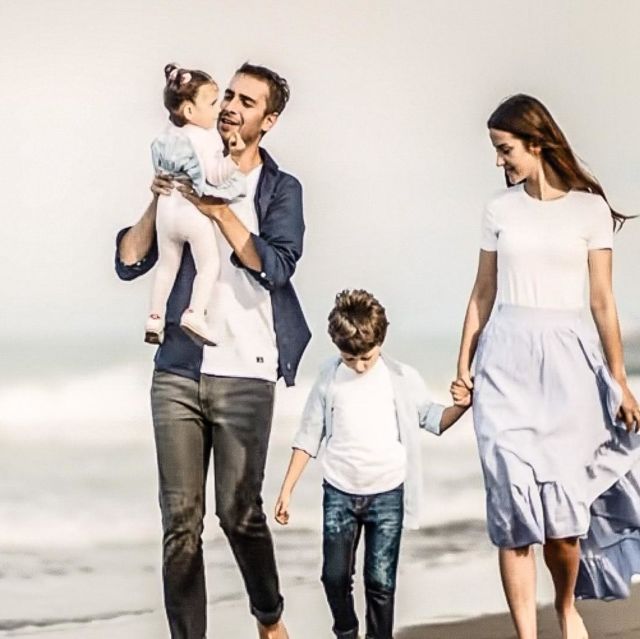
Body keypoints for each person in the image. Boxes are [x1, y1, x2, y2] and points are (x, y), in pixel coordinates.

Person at [115, 62, 311, 639]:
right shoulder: (187, 163)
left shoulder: (280, 188)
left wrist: (219, 210)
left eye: (247, 102)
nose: (230, 106)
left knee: (239, 514)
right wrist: (158, 198)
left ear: (268, 121)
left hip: (247, 371)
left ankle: (269, 618)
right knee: (180, 523)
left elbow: (276, 267)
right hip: (178, 369)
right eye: (228, 95)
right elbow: (129, 261)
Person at [452, 94, 640, 639]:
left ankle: (564, 605)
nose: (498, 160)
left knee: (562, 523)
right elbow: (482, 292)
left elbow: (602, 301)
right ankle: (526, 634)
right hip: (504, 364)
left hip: (568, 368)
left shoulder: (589, 210)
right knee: (511, 511)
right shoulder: (499, 209)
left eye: (504, 148)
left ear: (536, 143)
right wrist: (463, 364)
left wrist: (619, 380)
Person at [275, 289, 469, 639]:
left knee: (380, 581)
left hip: (387, 493)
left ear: (381, 340)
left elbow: (434, 420)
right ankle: (346, 630)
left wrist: (462, 406)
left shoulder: (401, 378)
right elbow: (308, 436)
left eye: (367, 356)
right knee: (334, 577)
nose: (360, 365)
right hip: (339, 492)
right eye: (350, 358)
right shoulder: (329, 378)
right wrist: (287, 490)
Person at [145, 62, 246, 346]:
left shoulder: (168, 134)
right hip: (191, 211)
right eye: (212, 104)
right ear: (189, 111)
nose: (218, 110)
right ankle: (195, 313)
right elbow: (213, 176)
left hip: (167, 209)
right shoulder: (205, 137)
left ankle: (154, 318)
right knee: (209, 264)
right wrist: (234, 159)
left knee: (167, 266)